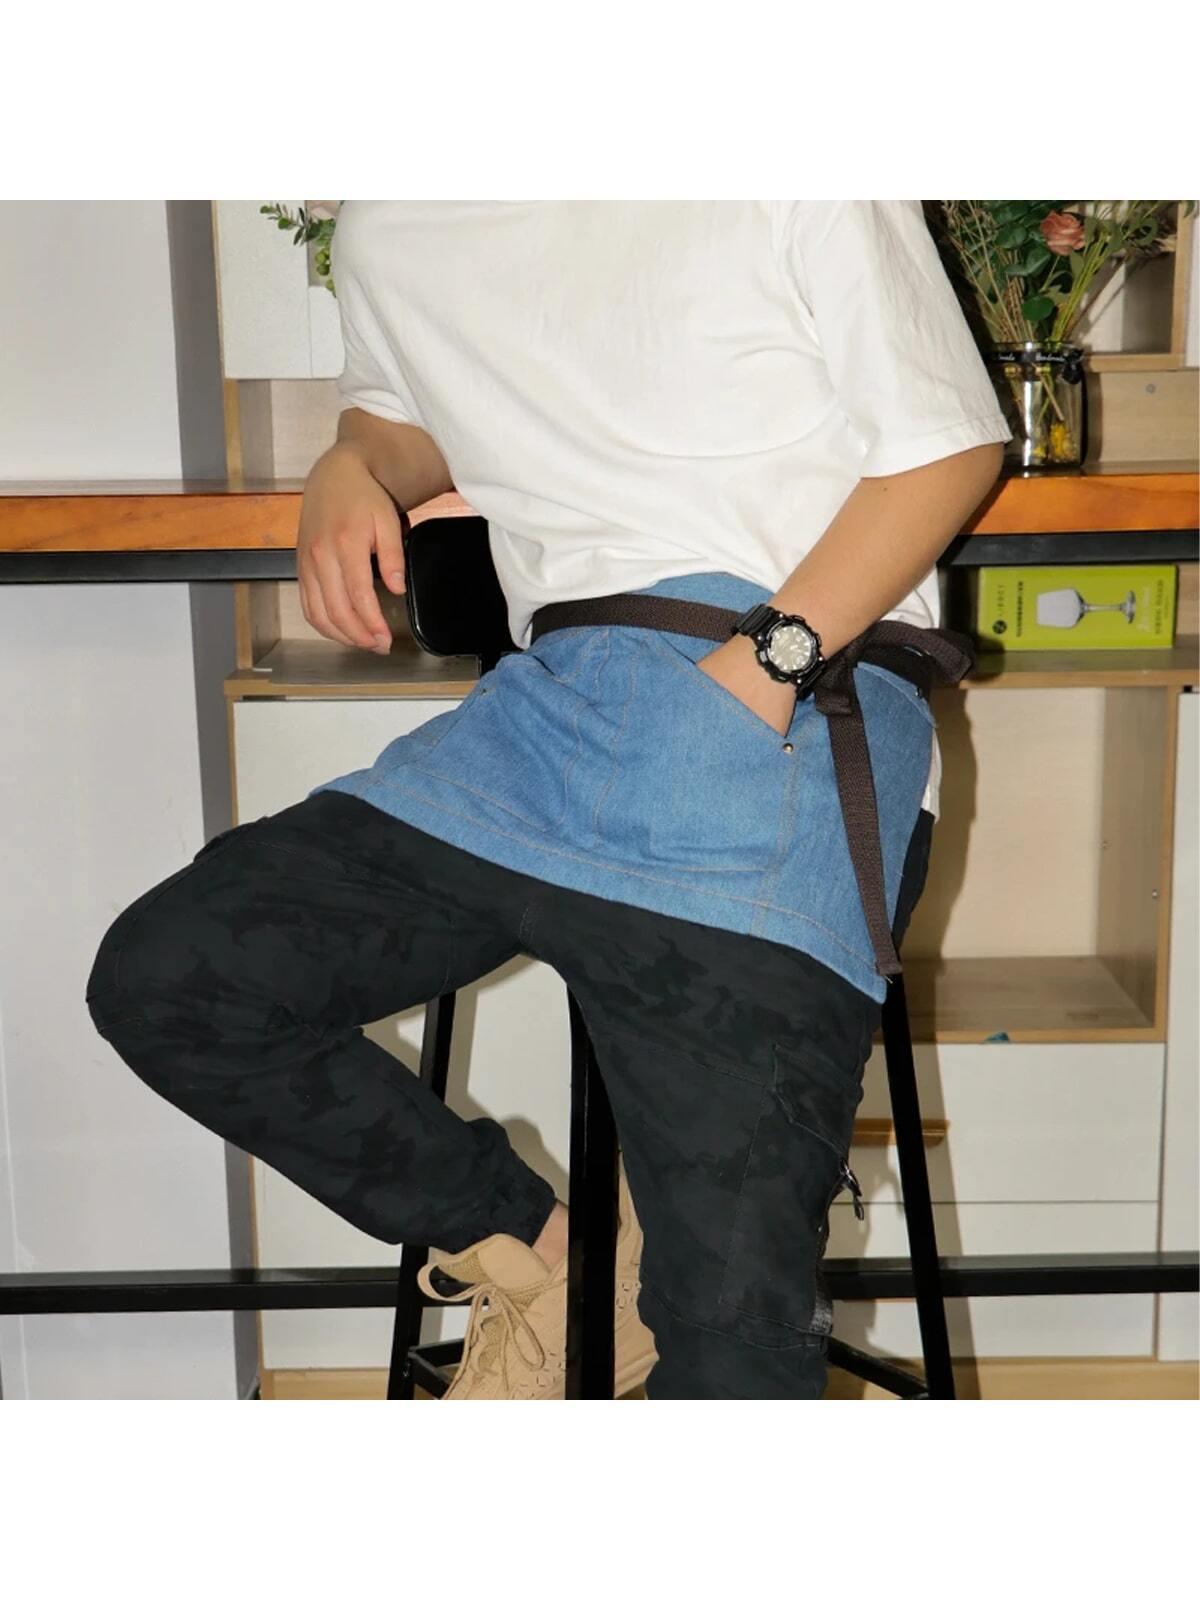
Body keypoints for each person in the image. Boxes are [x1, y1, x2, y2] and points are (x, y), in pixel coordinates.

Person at [86, 201, 1010, 1400]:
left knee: (731, 1341)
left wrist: (762, 668)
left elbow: (948, 445)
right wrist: (354, 461)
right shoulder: (392, 219)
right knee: (175, 977)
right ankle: (556, 1260)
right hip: (545, 713)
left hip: (779, 698)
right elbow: (408, 408)